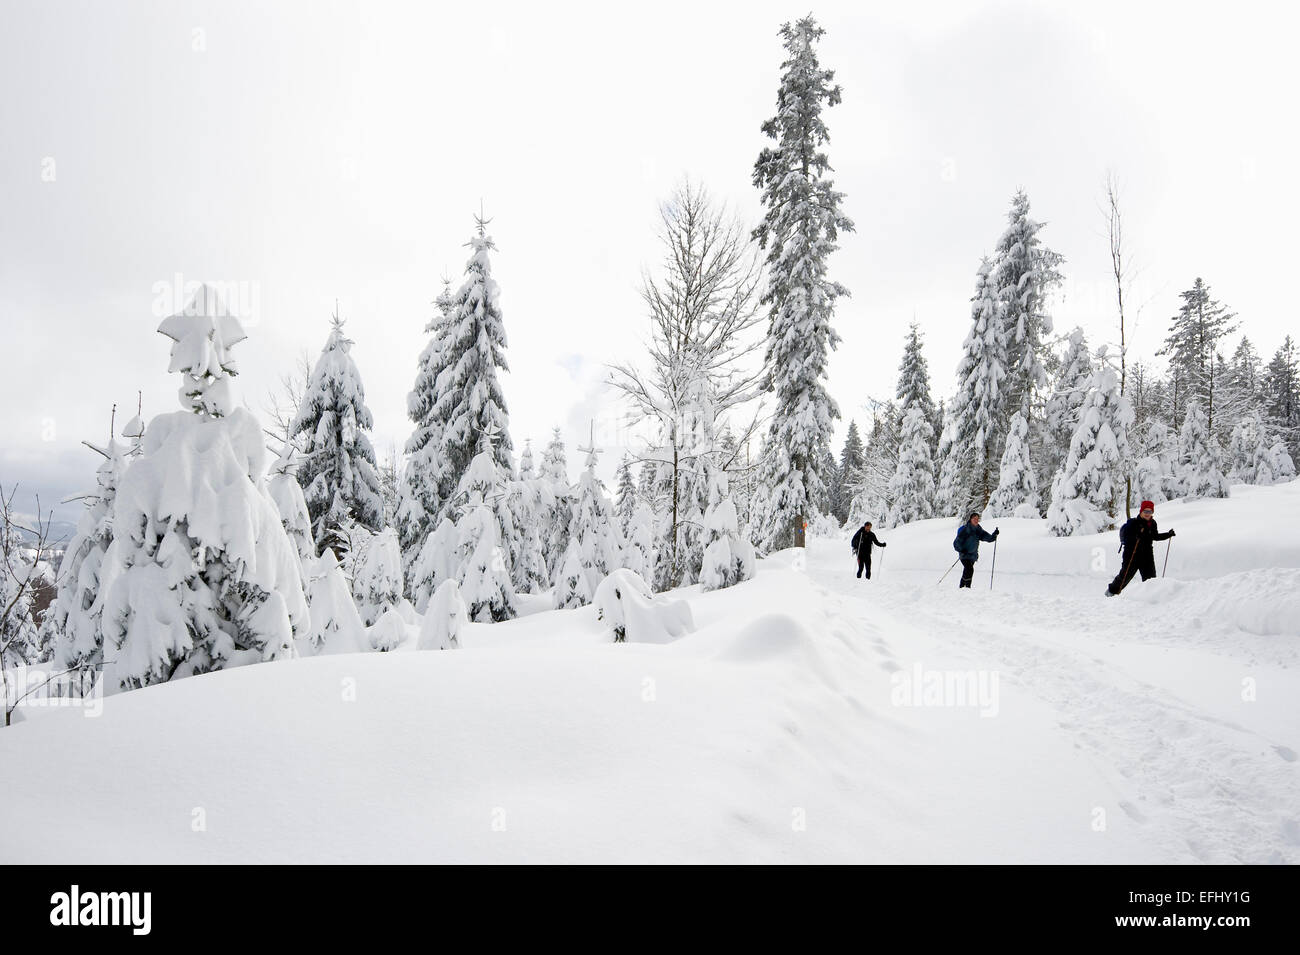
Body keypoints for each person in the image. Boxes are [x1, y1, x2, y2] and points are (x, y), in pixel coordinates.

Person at [1106, 500, 1175, 596]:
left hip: (1147, 556)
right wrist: (1136, 536)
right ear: (1141, 511)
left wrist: (1168, 535)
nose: (1147, 514)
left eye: (1150, 511)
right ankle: (1111, 592)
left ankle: (1151, 597)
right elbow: (1128, 538)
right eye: (1145, 511)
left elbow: (1155, 536)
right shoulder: (1133, 523)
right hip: (1132, 555)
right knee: (1125, 577)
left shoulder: (1153, 523)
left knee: (1151, 579)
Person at [953, 512, 998, 589]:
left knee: (967, 571)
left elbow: (987, 537)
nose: (976, 520)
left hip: (973, 555)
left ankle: (961, 587)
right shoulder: (966, 529)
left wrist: (994, 535)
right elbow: (956, 543)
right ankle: (967, 587)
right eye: (974, 519)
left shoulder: (978, 529)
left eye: (977, 519)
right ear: (970, 519)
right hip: (964, 555)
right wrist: (962, 550)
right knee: (969, 569)